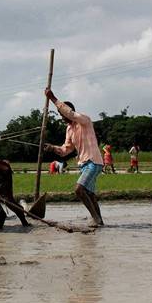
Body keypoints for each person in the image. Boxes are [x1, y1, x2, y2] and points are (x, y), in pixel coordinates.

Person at [42, 88, 105, 227]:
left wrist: (53, 98)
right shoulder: (69, 129)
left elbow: (69, 113)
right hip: (83, 164)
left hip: (93, 161)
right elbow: (66, 150)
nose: (62, 117)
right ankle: (100, 221)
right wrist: (53, 148)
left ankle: (95, 219)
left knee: (79, 190)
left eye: (62, 114)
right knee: (90, 193)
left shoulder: (84, 120)